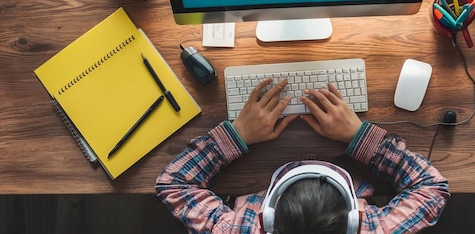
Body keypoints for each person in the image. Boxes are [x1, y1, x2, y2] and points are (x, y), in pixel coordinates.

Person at [156, 78, 450, 234]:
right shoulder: (373, 229)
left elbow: (174, 184)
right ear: (354, 219)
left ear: (266, 217)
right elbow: (431, 188)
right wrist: (359, 137)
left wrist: (237, 135)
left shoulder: (239, 229)